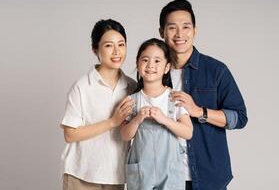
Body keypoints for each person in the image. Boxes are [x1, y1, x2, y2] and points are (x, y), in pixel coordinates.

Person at [159, 0, 248, 190]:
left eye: (186, 26)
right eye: (172, 27)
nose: (180, 34)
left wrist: (199, 111)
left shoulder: (216, 70)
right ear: (162, 32)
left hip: (208, 177)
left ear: (195, 30)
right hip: (165, 177)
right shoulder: (154, 72)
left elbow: (239, 117)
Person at [60, 19, 136, 190]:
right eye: (109, 45)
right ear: (95, 49)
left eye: (121, 44)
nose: (117, 51)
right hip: (81, 174)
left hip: (116, 176)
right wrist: (112, 122)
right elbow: (70, 134)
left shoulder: (132, 87)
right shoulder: (82, 87)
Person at [120, 38, 193, 190]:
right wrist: (137, 119)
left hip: (170, 172)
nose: (151, 65)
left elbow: (188, 132)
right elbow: (124, 135)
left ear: (167, 67)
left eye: (157, 61)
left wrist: (165, 120)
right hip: (142, 172)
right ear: (138, 64)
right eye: (145, 59)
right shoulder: (131, 100)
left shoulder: (174, 97)